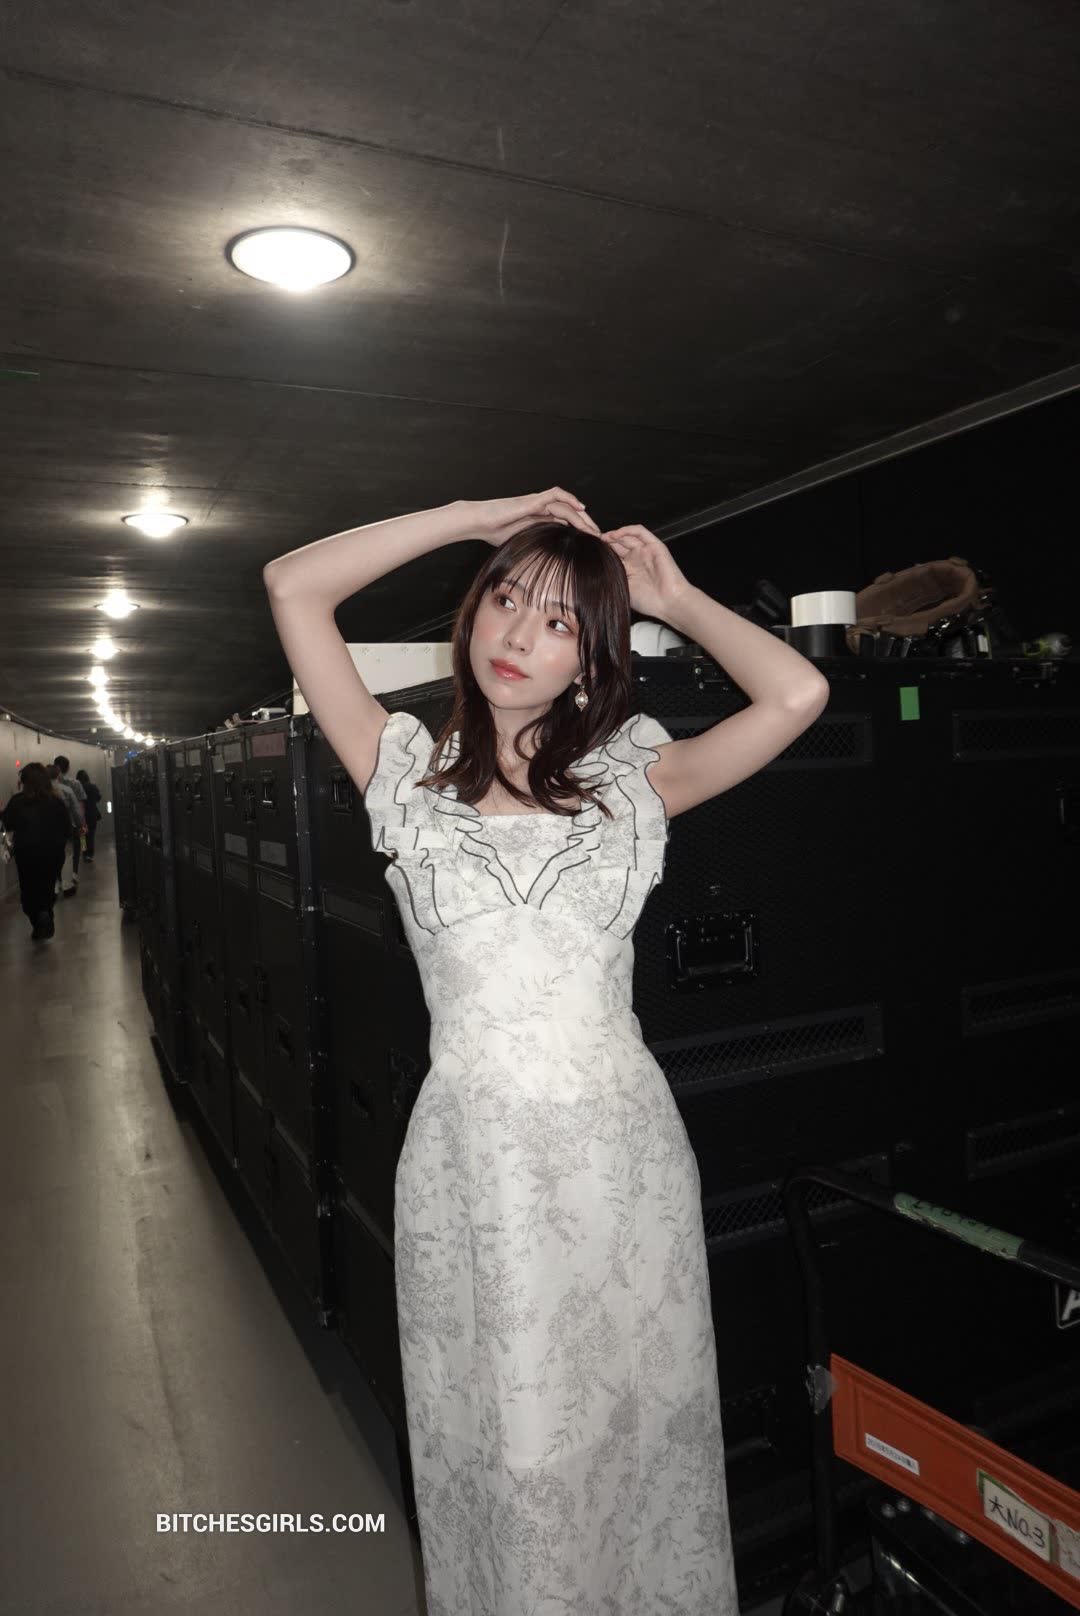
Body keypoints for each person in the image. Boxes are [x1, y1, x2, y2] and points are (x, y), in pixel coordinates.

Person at [262, 489, 829, 1614]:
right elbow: (294, 585)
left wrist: (674, 598)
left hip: (623, 1160)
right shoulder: (402, 771)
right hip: (476, 1165)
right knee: (507, 1438)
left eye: (561, 621)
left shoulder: (634, 784)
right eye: (507, 600)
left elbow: (798, 692)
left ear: (592, 659)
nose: (518, 635)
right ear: (473, 611)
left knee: (640, 1421)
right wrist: (472, 516)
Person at [1, 762, 73, 939]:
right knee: (47, 886)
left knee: (28, 889)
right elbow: (67, 828)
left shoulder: (17, 801)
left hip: (26, 853)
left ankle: (37, 920)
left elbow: (7, 824)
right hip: (53, 853)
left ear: (24, 781)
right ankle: (45, 912)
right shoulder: (56, 802)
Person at [47, 764, 83, 897]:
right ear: (58, 775)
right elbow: (76, 810)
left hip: (45, 831)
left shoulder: (40, 791)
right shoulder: (66, 790)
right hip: (65, 828)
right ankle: (67, 886)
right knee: (67, 855)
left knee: (50, 857)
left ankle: (55, 887)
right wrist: (80, 824)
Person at [75, 768, 102, 860]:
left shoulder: (77, 787)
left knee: (82, 836)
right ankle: (90, 854)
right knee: (91, 836)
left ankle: (84, 853)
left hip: (81, 815)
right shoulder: (93, 786)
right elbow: (98, 798)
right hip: (92, 814)